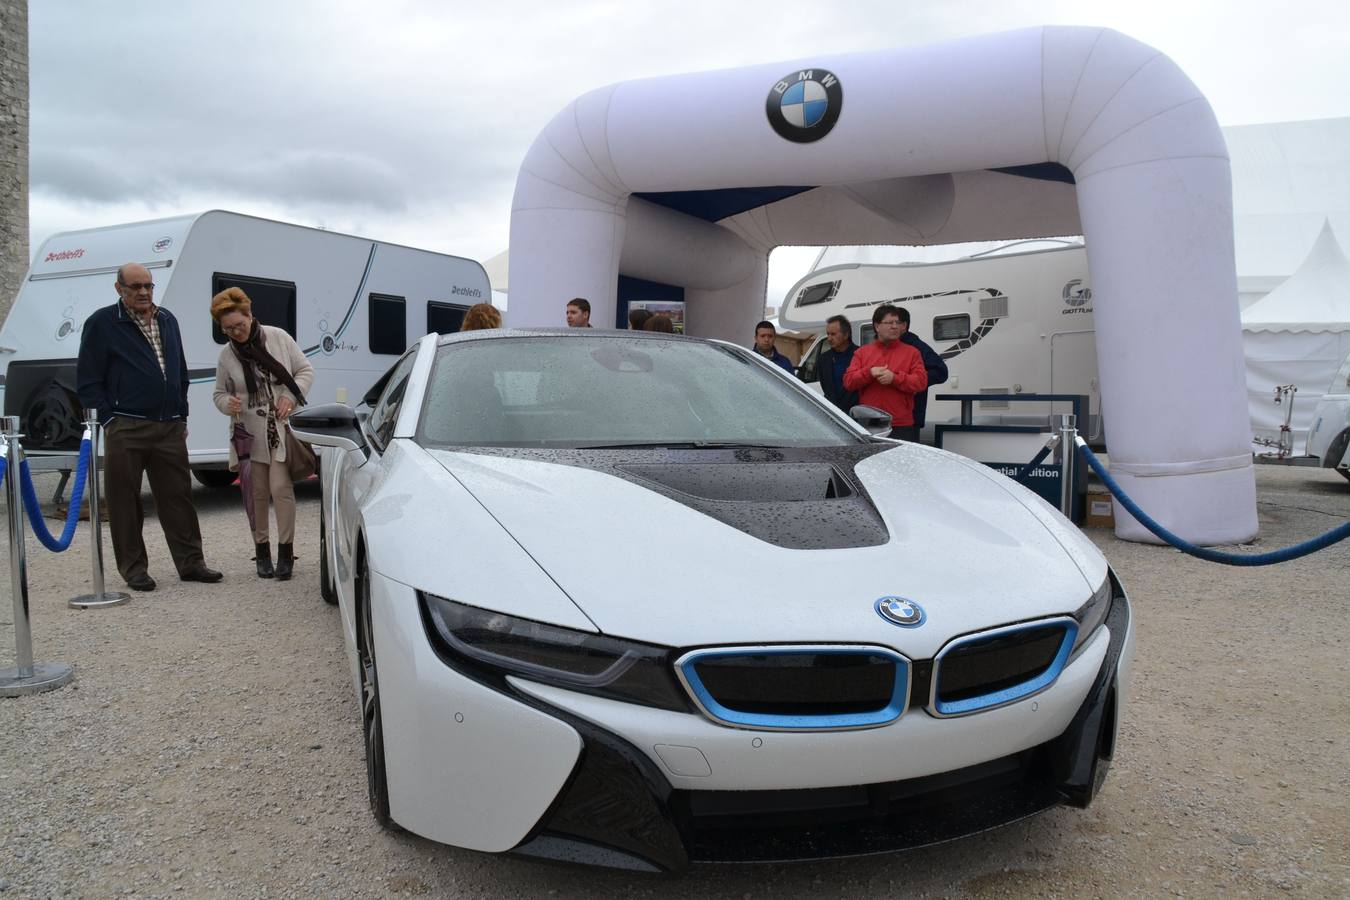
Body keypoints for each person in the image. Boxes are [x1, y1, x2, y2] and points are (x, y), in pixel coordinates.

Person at [75, 262, 223, 591]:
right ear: (119, 289)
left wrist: (181, 414)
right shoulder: (102, 323)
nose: (143, 292)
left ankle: (191, 563)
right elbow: (87, 381)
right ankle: (134, 569)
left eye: (148, 286)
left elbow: (179, 371)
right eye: (135, 287)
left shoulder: (167, 319)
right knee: (124, 501)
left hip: (169, 426)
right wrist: (110, 420)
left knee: (178, 498)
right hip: (126, 426)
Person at [211, 287, 315, 580]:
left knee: (281, 490)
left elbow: (305, 371)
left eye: (239, 325)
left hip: (279, 430)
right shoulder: (226, 355)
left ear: (250, 315)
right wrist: (227, 403)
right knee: (255, 494)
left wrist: (290, 398)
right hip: (248, 433)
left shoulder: (278, 337)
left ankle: (286, 553)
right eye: (228, 329)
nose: (236, 332)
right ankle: (262, 552)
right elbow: (218, 393)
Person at [843, 304, 928, 441]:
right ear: (877, 326)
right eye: (889, 322)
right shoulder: (862, 353)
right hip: (869, 424)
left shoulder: (912, 353)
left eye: (898, 322)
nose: (895, 326)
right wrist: (869, 372)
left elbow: (921, 382)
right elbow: (848, 381)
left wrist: (894, 378)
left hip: (901, 425)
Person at [894, 306, 949, 430]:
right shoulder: (883, 347)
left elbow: (941, 371)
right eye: (886, 323)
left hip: (911, 417)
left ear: (904, 325)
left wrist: (916, 382)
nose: (890, 326)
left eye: (894, 322)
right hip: (887, 419)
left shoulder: (917, 347)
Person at [818, 315, 859, 413]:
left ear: (846, 335)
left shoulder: (860, 354)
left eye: (833, 334)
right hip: (832, 413)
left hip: (855, 415)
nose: (829, 338)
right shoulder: (823, 359)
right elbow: (826, 387)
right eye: (828, 334)